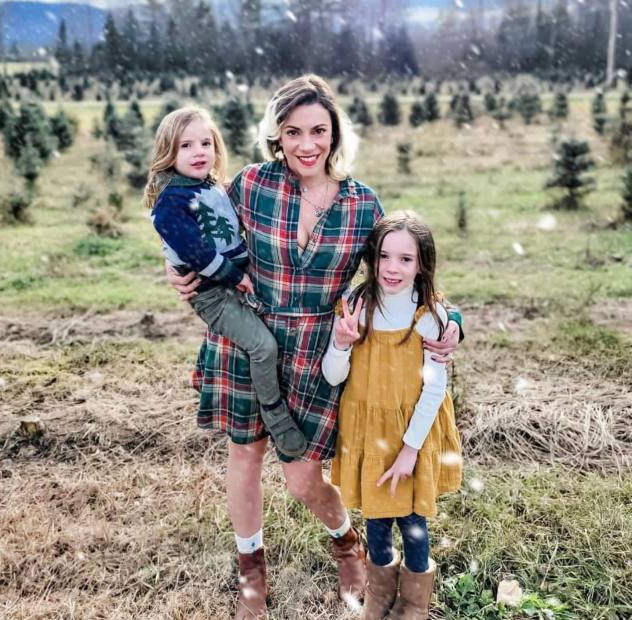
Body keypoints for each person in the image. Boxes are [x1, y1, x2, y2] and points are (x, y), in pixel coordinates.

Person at [166, 76, 463, 619]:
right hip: (247, 337)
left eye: (319, 131)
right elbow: (193, 224)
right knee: (245, 455)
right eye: (293, 132)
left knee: (303, 478)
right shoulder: (252, 185)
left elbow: (400, 271)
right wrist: (176, 266)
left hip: (314, 352)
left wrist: (452, 320)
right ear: (277, 136)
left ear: (335, 134)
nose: (307, 144)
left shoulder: (361, 204)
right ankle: (251, 575)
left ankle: (345, 541)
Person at [322, 211, 463, 620]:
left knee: (413, 519)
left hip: (411, 431)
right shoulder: (357, 307)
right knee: (378, 517)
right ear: (372, 258)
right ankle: (380, 594)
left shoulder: (430, 316)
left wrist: (410, 450)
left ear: (422, 264)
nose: (392, 268)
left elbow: (434, 389)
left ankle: (415, 603)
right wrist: (341, 343)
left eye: (405, 259)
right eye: (384, 256)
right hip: (368, 431)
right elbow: (333, 376)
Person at [144, 106, 307, 457]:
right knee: (263, 347)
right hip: (213, 292)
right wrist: (235, 276)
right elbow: (196, 253)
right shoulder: (171, 202)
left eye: (206, 143)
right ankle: (275, 416)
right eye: (186, 145)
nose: (199, 152)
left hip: (234, 280)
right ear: (168, 152)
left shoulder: (210, 186)